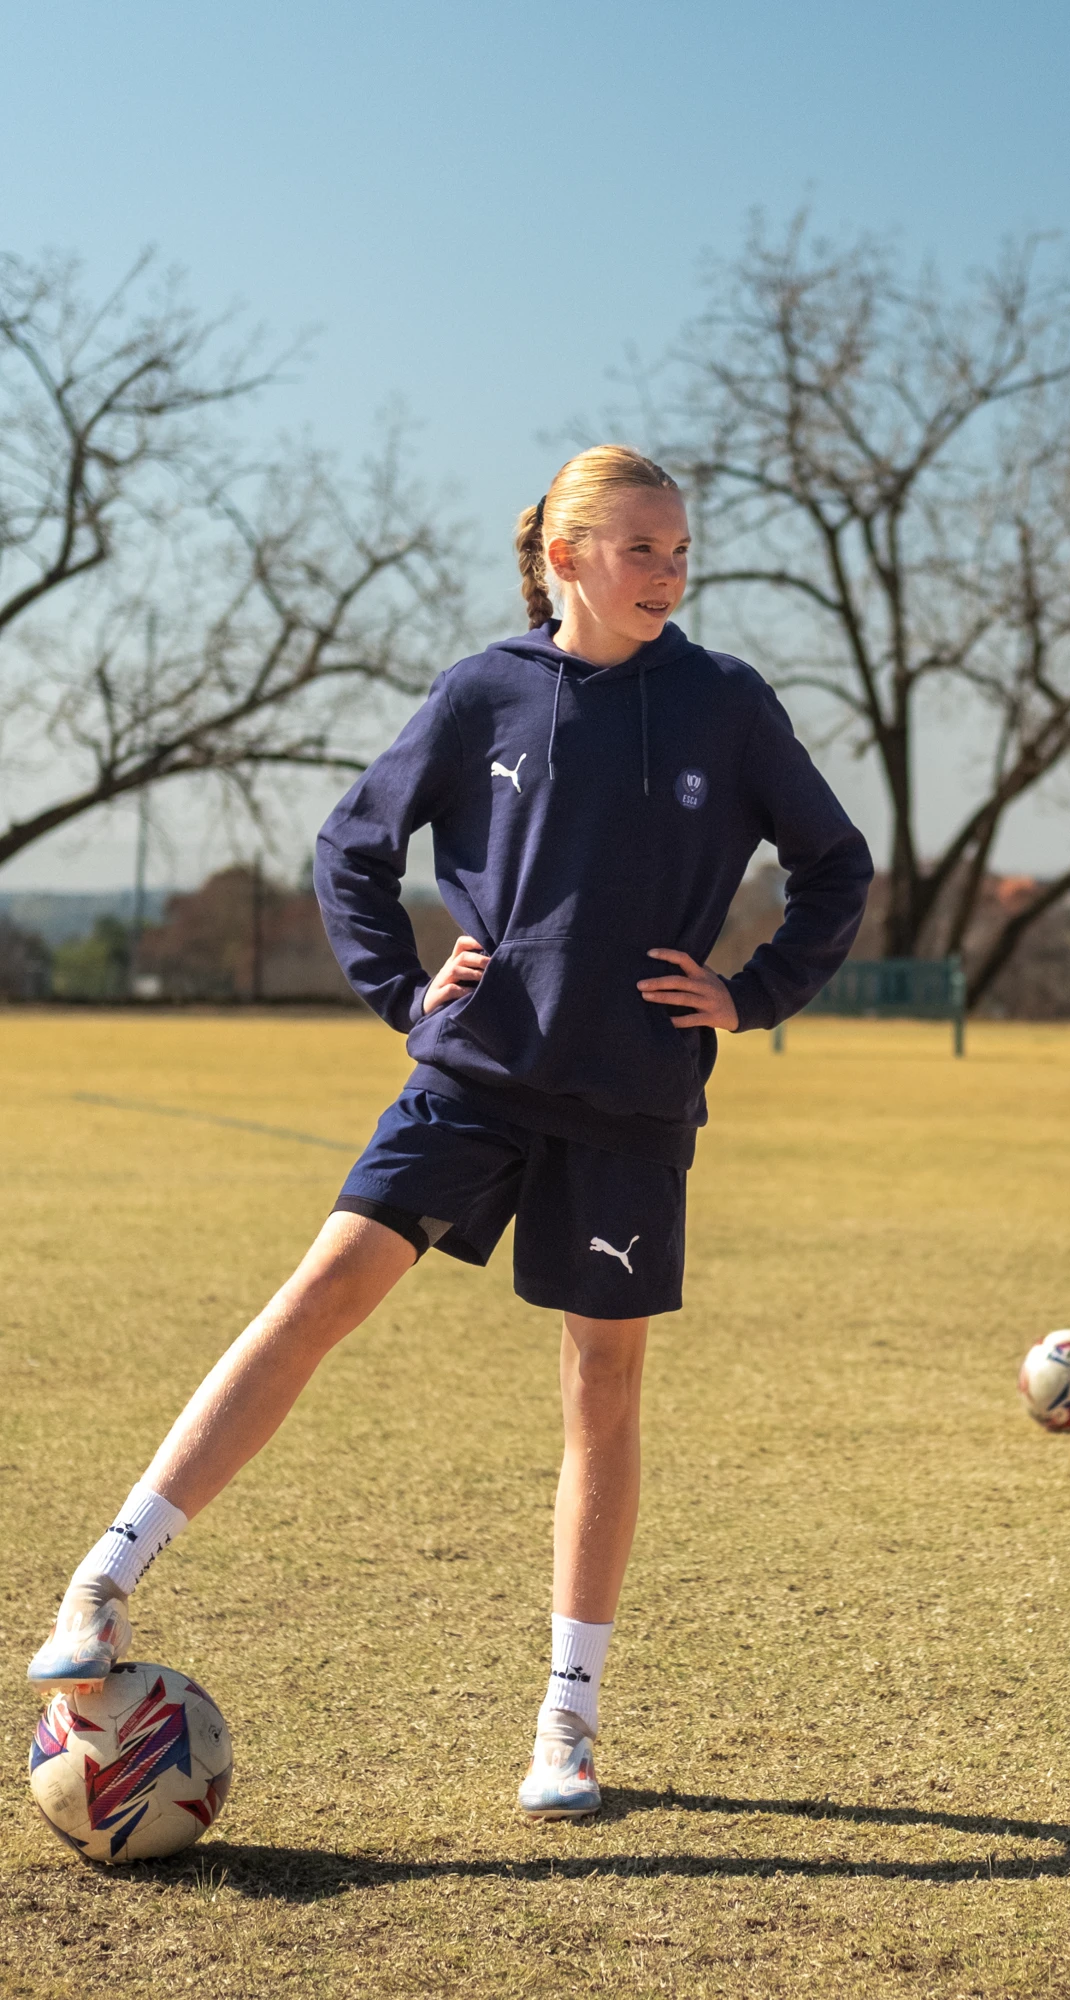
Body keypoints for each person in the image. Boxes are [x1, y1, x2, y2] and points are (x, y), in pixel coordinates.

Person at [28, 444, 873, 1822]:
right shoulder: (486, 688)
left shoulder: (727, 703)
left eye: (680, 550)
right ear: (567, 558)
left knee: (602, 1391)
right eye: (642, 548)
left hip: (632, 1098)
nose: (671, 572)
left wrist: (754, 989)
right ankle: (104, 1584)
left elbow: (836, 864)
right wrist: (405, 993)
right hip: (473, 1073)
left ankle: (569, 1726)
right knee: (320, 1295)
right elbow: (353, 846)